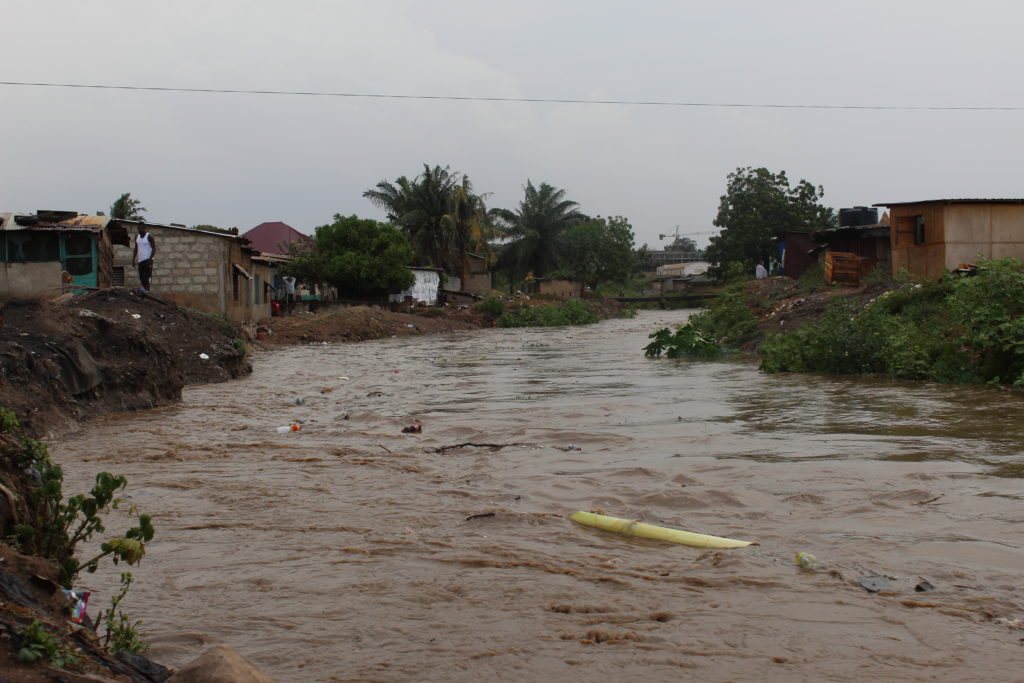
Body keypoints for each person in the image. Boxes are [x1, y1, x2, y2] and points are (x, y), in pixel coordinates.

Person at [132, 225, 156, 292]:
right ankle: (145, 289)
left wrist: (150, 258)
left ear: (144, 228)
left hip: (148, 259)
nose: (139, 230)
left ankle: (147, 290)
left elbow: (154, 248)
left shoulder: (149, 237)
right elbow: (136, 248)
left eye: (141, 228)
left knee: (147, 276)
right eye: (138, 229)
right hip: (140, 260)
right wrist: (133, 259)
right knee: (141, 277)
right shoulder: (137, 237)